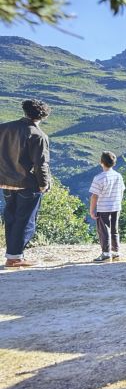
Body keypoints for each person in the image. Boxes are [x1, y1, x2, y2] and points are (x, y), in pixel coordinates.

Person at [0, 99, 51, 268]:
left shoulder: (4, 128)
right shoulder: (38, 135)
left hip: (5, 182)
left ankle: (12, 255)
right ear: (43, 116)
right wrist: (44, 184)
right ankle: (15, 257)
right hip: (27, 184)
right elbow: (41, 164)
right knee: (25, 221)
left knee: (11, 218)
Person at [89, 151, 125, 262]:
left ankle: (106, 254)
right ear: (114, 163)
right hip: (116, 206)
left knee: (104, 231)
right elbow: (122, 191)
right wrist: (118, 202)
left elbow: (94, 196)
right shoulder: (118, 176)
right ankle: (115, 253)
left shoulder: (99, 178)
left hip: (104, 208)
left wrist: (92, 211)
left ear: (101, 162)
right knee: (114, 230)